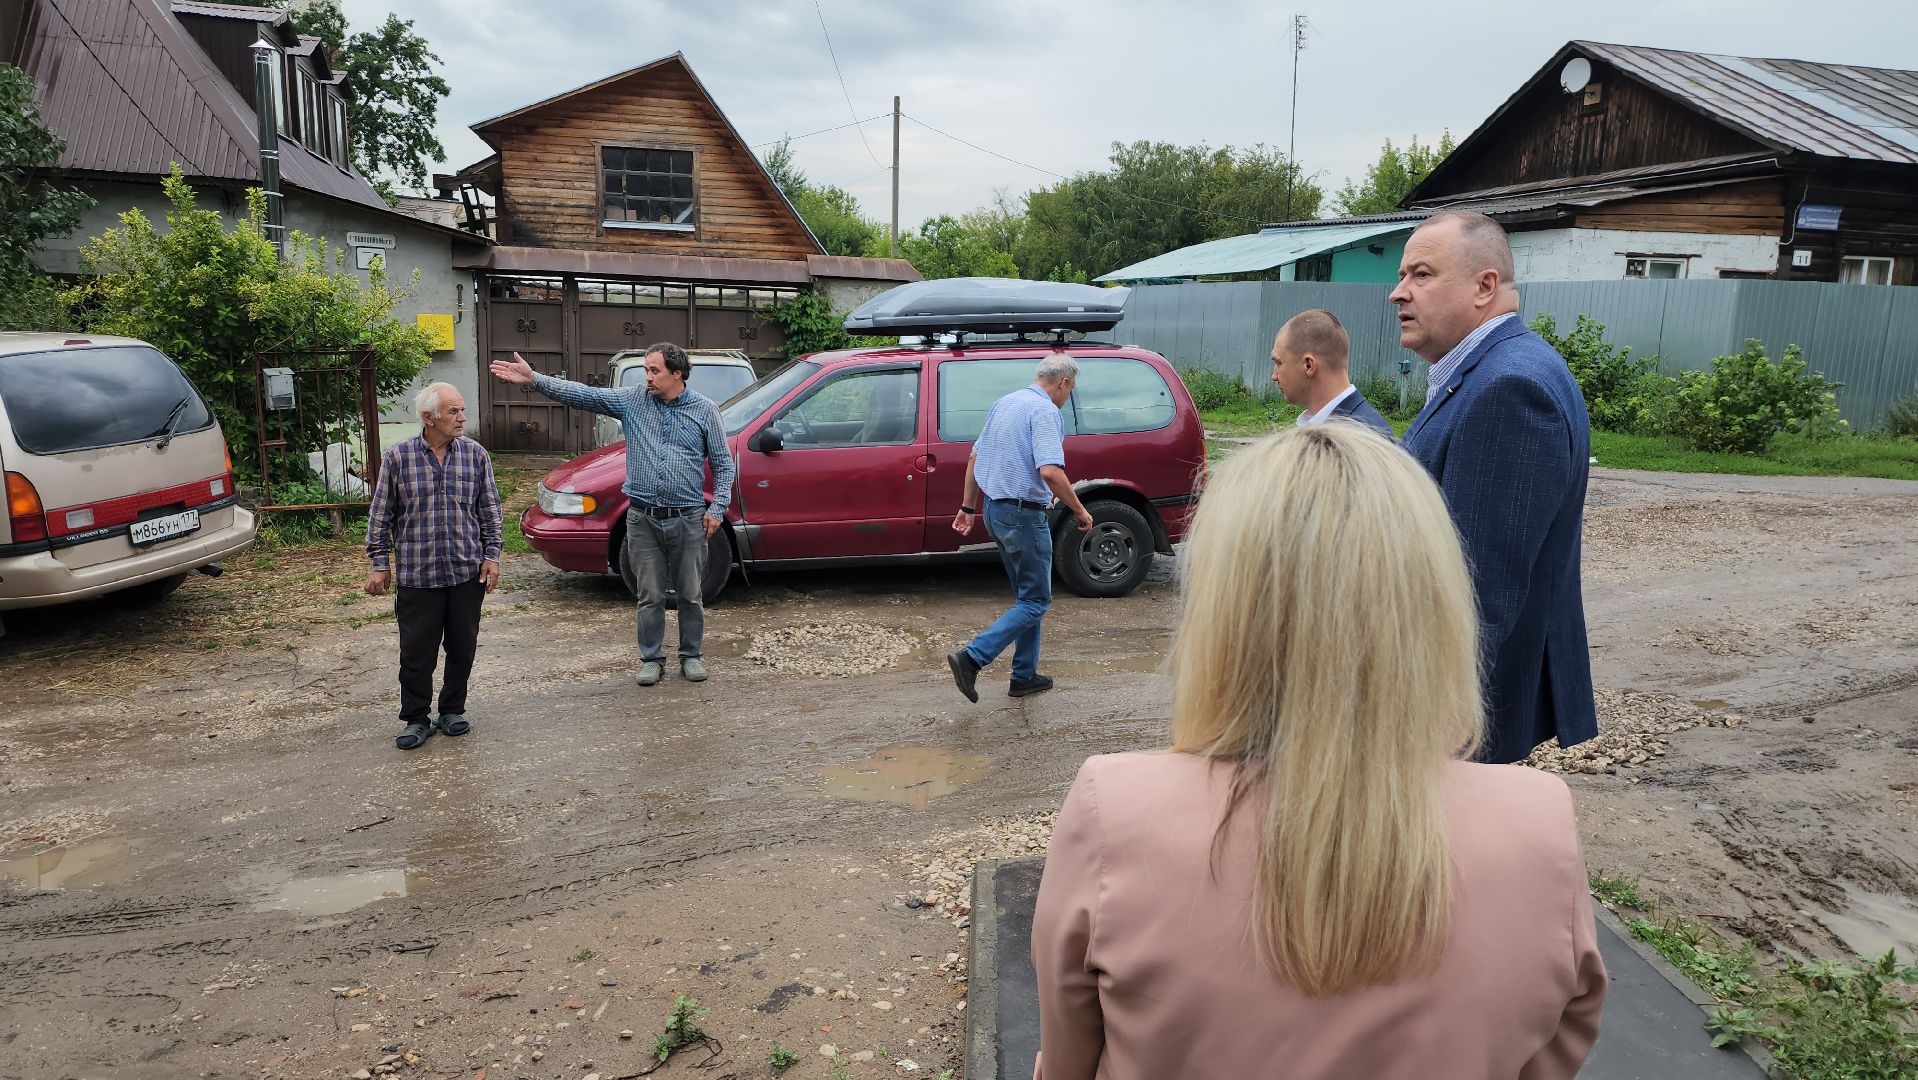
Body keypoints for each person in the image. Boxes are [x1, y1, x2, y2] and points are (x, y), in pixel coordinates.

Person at [1030, 424, 1605, 1079]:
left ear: (1221, 611)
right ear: (1434, 603)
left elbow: (1070, 1058)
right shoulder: (1538, 823)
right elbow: (1552, 1050)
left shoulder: (1116, 811)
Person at [1392, 210, 1597, 764]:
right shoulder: (1494, 370)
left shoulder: (1508, 388)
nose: (1397, 292)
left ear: (1485, 287)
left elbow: (1478, 592)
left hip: (1458, 719)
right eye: (1402, 275)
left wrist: (1428, 731)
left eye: (1421, 275)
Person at [490, 344, 734, 686]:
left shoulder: (704, 410)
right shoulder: (633, 400)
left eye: (654, 371)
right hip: (642, 518)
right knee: (649, 595)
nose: (647, 377)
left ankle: (691, 656)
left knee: (690, 594)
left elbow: (724, 465)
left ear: (677, 374)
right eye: (646, 370)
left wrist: (718, 508)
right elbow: (585, 395)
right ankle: (651, 659)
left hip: (688, 517)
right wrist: (535, 379)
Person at [947, 354, 1094, 702]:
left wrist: (967, 506)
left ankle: (1024, 675)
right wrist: (1080, 510)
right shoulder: (1044, 411)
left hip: (994, 511)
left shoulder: (1006, 402)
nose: (1068, 396)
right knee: (1036, 602)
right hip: (1023, 517)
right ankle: (972, 658)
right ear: (1064, 383)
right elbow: (1050, 472)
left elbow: (974, 457)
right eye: (1070, 390)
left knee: (1028, 598)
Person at [365, 383, 502, 750]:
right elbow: (381, 516)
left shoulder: (475, 456)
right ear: (429, 418)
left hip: (465, 573)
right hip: (418, 576)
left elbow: (489, 511)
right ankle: (416, 718)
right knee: (416, 652)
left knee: (462, 646)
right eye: (453, 411)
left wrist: (492, 556)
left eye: (462, 410)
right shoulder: (399, 458)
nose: (462, 418)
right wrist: (380, 564)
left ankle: (452, 709)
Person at [1270, 308, 1393, 437]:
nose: (1274, 376)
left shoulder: (1359, 440)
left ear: (1308, 365)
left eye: (1278, 363)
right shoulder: (1346, 426)